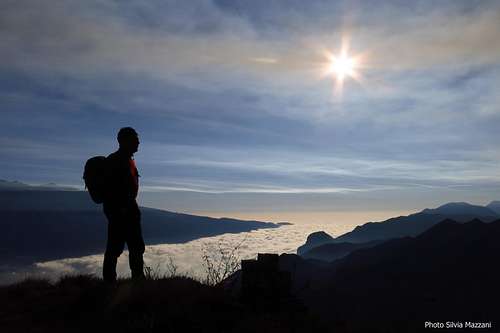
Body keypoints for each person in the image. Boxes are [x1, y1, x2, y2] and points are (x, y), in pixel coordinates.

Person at [102, 127, 145, 282]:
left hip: (124, 210)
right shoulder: (117, 160)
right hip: (121, 211)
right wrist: (122, 209)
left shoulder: (126, 160)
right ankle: (117, 283)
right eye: (135, 139)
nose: (138, 142)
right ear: (125, 141)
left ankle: (127, 282)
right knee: (119, 248)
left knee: (130, 247)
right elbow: (112, 189)